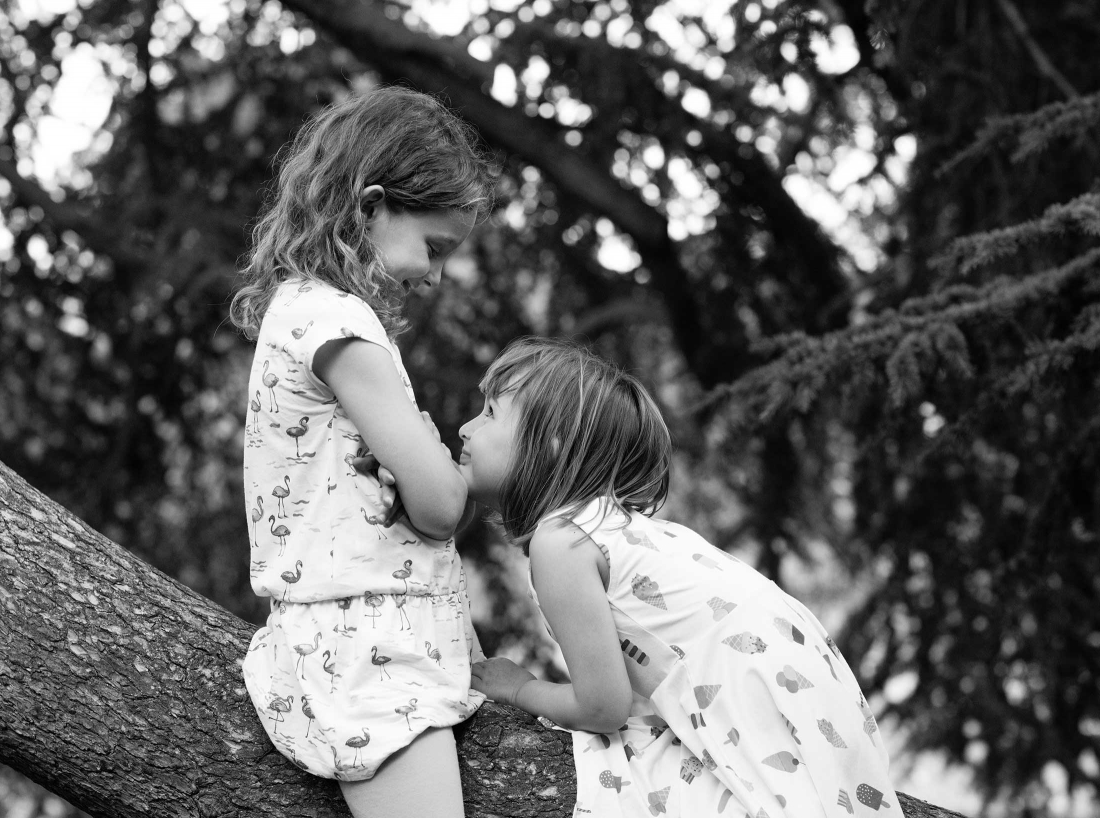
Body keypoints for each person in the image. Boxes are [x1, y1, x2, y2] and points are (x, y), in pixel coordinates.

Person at [465, 337, 905, 818]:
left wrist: (519, 689)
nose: (466, 428)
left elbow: (602, 707)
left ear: (548, 445)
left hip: (753, 683)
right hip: (799, 678)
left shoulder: (561, 541)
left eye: (489, 412)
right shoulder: (607, 526)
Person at [229, 86, 493, 818]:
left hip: (355, 634)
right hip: (371, 648)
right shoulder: (341, 325)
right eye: (433, 247)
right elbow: (441, 504)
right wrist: (434, 457)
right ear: (371, 207)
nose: (435, 275)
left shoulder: (301, 312)